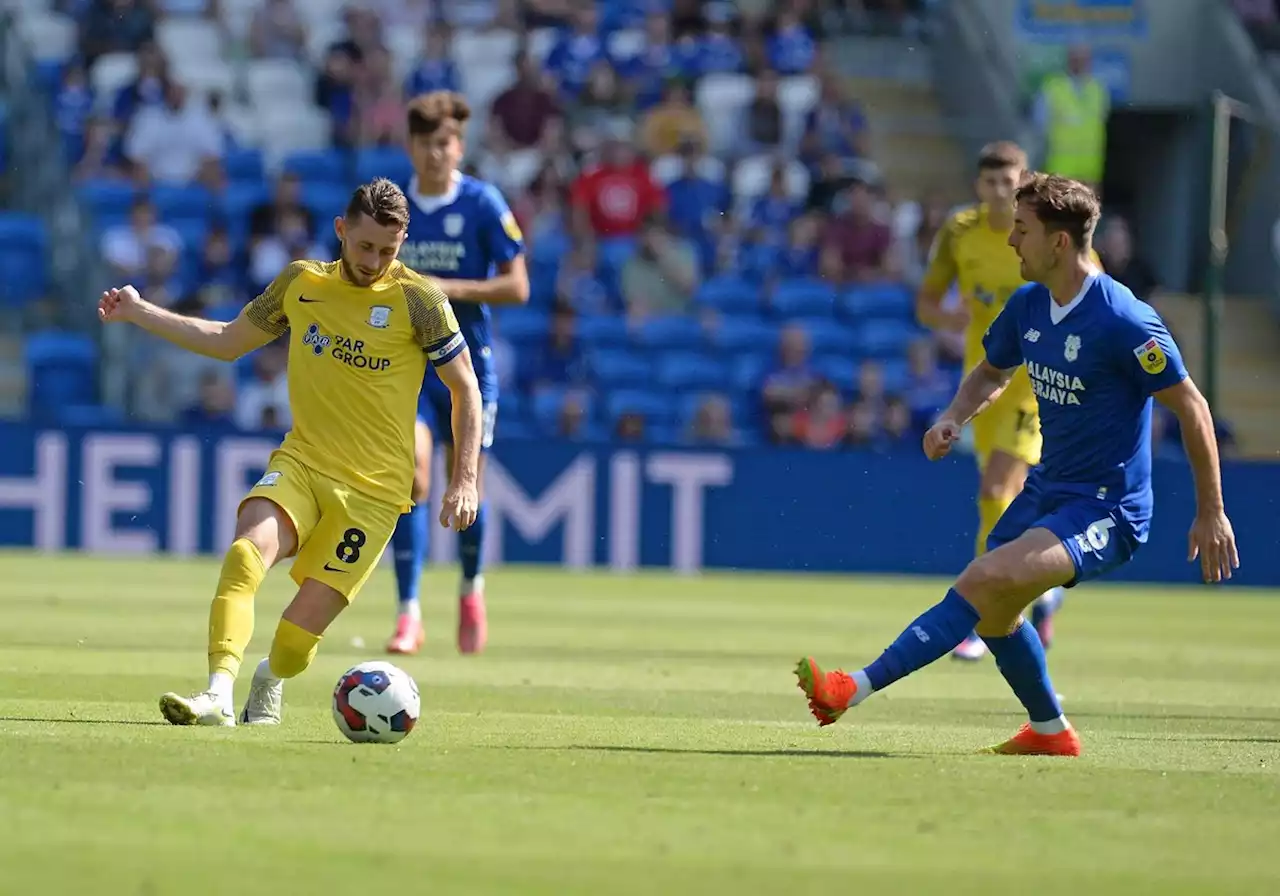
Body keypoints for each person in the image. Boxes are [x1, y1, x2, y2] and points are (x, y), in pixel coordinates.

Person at [796, 173, 1238, 756]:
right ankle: (1051, 732)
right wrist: (955, 415)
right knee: (993, 614)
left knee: (983, 581)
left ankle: (848, 690)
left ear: (1058, 242)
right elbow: (990, 371)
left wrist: (1213, 512)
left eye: (1022, 230)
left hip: (1109, 509)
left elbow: (1193, 408)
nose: (1011, 242)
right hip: (1048, 489)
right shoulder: (1029, 303)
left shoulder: (1124, 319)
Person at [97, 179, 484, 727]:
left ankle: (268, 679)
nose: (373, 261)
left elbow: (465, 387)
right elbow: (226, 340)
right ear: (341, 230)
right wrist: (140, 312)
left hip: (374, 496)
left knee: (296, 640)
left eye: (387, 251)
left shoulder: (420, 301)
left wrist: (464, 478)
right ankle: (217, 694)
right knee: (243, 555)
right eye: (364, 245)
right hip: (303, 463)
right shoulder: (302, 283)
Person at [918, 142, 1089, 660]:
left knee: (998, 486)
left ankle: (981, 616)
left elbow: (1088, 285)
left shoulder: (1041, 232)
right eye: (989, 182)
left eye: (1008, 182)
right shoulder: (959, 232)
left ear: (1023, 181)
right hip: (984, 381)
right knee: (1000, 498)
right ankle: (1041, 584)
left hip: (1037, 385)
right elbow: (928, 302)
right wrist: (950, 321)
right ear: (978, 185)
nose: (998, 192)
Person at [387, 90, 529, 656]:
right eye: (424, 143)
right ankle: (409, 613)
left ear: (459, 146)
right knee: (413, 480)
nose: (434, 154)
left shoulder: (482, 202)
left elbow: (518, 285)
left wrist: (445, 289)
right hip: (408, 367)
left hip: (467, 365)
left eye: (443, 143)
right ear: (411, 146)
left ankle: (471, 589)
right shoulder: (394, 205)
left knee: (464, 484)